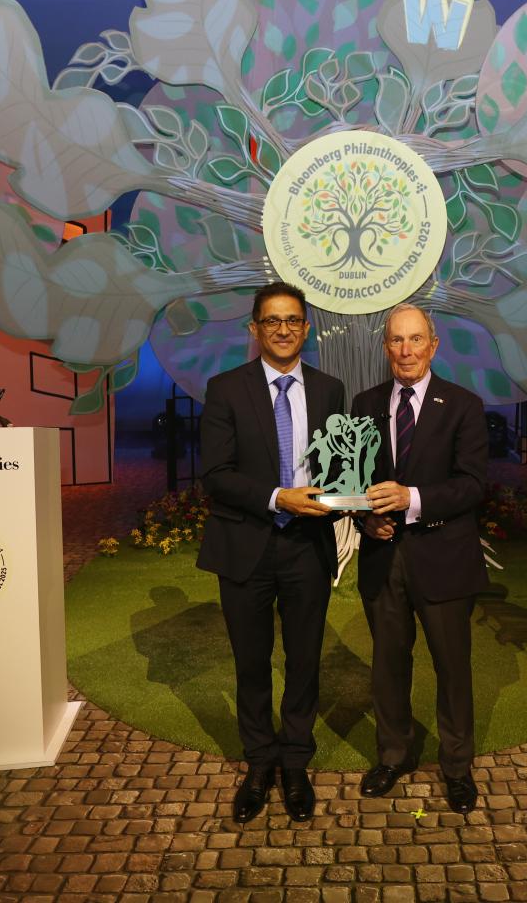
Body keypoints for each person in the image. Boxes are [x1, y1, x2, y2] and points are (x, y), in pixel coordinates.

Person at [197, 282, 347, 824]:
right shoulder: (226, 389)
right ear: (255, 329)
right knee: (252, 663)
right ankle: (260, 763)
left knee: (304, 662)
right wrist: (277, 497)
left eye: (292, 321)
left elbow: (338, 468)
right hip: (246, 546)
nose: (283, 329)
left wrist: (350, 499)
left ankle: (295, 763)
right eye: (271, 321)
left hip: (308, 547)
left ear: (306, 328)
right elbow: (215, 476)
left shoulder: (331, 390)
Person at [354, 304, 489, 814]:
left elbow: (473, 484)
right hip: (382, 559)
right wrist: (364, 518)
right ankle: (394, 755)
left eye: (415, 340)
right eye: (396, 341)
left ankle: (456, 767)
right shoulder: (363, 403)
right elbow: (352, 484)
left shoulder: (463, 405)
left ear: (433, 346)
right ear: (385, 347)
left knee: (452, 669)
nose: (405, 351)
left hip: (444, 559)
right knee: (388, 666)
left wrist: (409, 499)